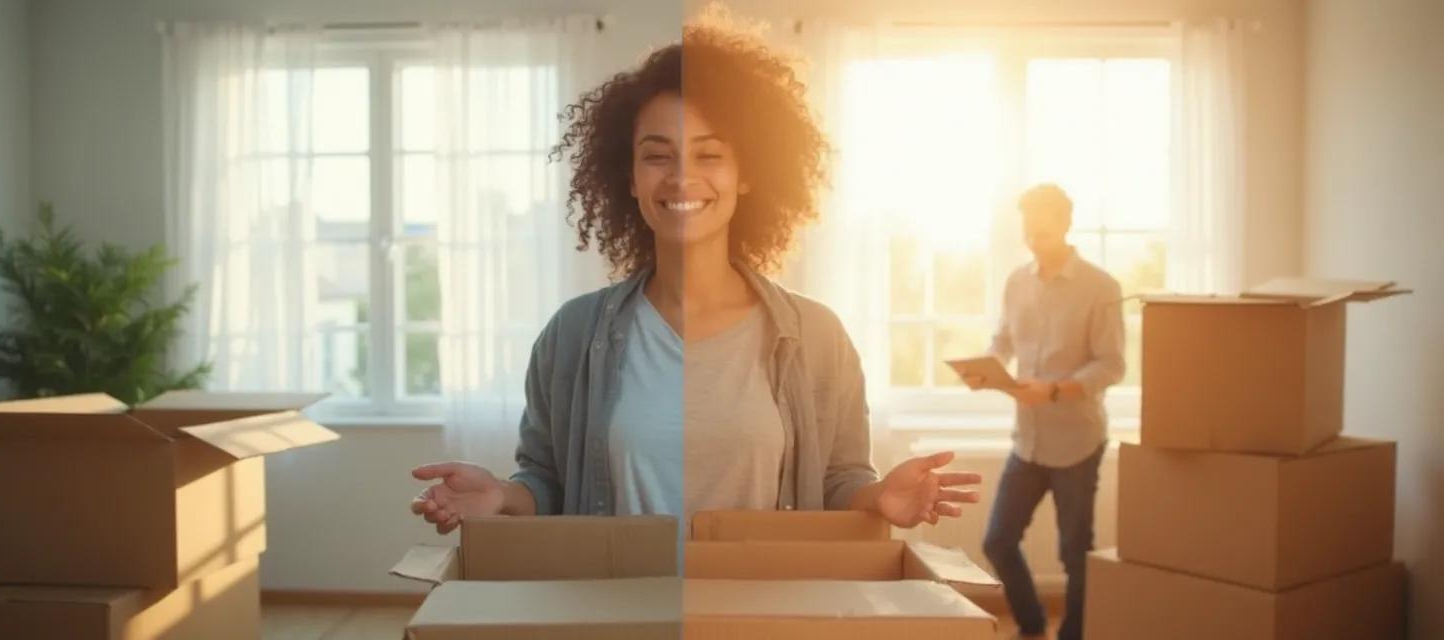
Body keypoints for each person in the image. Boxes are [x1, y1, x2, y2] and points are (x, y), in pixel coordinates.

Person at [410, 11, 980, 534]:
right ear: (628, 177)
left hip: (763, 612)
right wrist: (504, 497)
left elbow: (838, 481)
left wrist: (879, 497)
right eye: (657, 156)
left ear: (747, 174)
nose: (682, 178)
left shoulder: (817, 336)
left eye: (709, 155)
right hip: (620, 612)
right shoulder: (572, 335)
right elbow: (549, 484)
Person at [967, 184, 1126, 640]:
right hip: (1028, 441)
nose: (1035, 241)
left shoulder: (1101, 287)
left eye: (1044, 232)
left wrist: (1055, 391)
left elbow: (1112, 364)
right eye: (1028, 232)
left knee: (1076, 554)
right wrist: (985, 368)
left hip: (1078, 441)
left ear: (1066, 225)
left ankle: (1072, 635)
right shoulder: (1017, 281)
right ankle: (1033, 625)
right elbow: (1003, 340)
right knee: (997, 540)